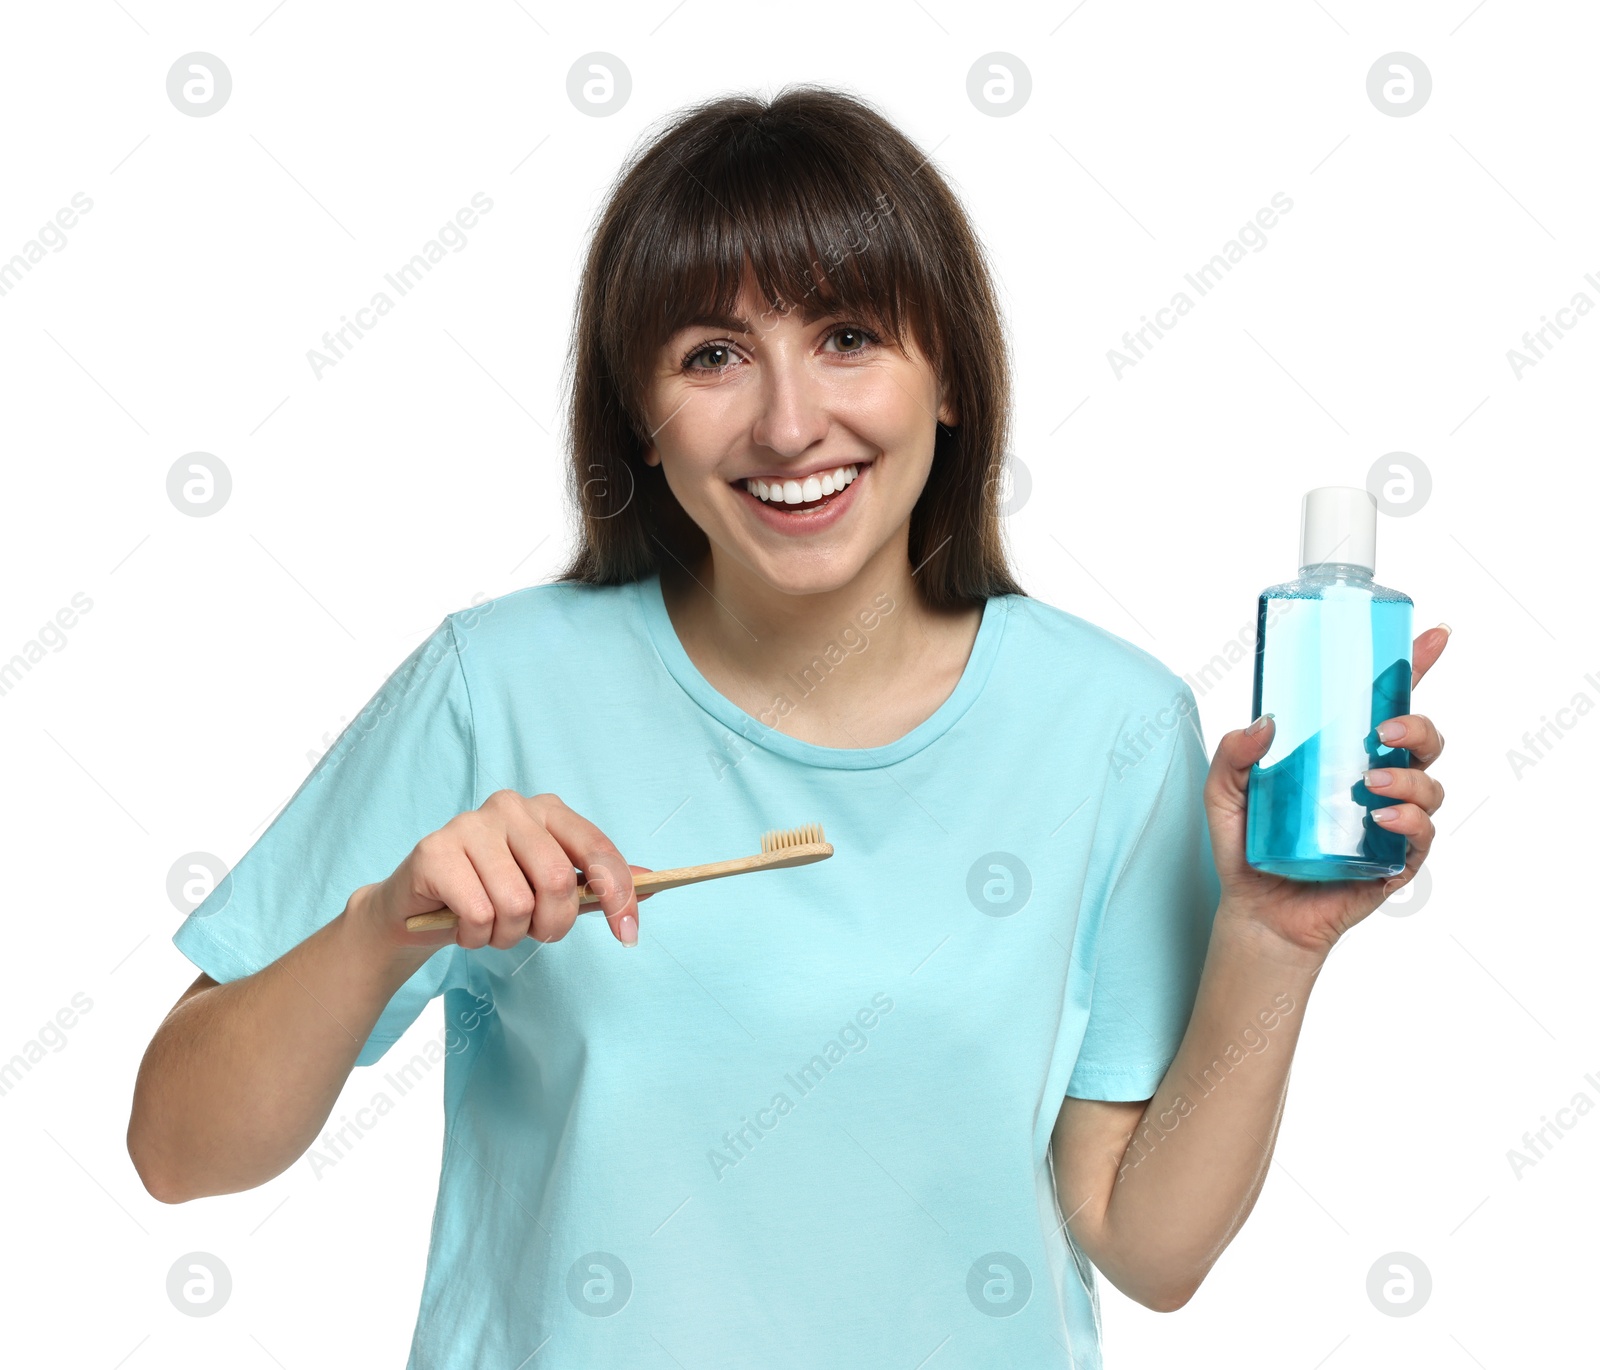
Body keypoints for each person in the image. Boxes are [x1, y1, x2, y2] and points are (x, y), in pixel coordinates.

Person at [128, 85, 1449, 1369]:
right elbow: (175, 1147)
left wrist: (1271, 944)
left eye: (849, 338)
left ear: (949, 381)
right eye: (713, 355)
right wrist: (377, 928)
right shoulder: (500, 684)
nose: (788, 421)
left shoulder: (1109, 723)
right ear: (639, 416)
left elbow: (1147, 1247)